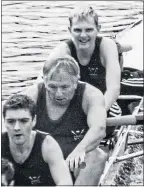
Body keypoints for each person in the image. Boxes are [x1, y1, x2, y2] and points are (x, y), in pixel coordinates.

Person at [37, 5, 129, 138]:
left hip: (104, 104)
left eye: (89, 30)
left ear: (98, 29)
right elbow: (40, 86)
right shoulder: (61, 52)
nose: (83, 35)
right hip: (74, 108)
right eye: (78, 30)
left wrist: (96, 114)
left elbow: (114, 89)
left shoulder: (107, 46)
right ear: (70, 30)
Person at [22, 56, 107, 185]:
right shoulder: (32, 95)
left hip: (74, 161)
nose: (58, 94)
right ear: (44, 81)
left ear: (75, 82)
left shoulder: (91, 95)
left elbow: (99, 129)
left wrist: (80, 150)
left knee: (97, 157)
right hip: (43, 159)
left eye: (65, 87)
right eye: (52, 87)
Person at [2, 94, 73, 186]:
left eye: (23, 121)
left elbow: (65, 182)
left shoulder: (48, 145)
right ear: (4, 122)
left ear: (34, 120)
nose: (16, 128)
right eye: (11, 121)